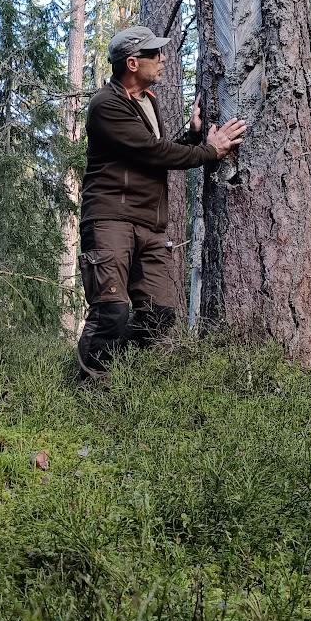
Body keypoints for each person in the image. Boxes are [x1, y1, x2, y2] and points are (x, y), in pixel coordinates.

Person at [76, 25, 247, 383]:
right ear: (133, 63)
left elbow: (152, 152)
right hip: (111, 220)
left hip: (150, 225)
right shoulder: (106, 105)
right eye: (155, 54)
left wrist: (192, 134)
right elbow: (152, 152)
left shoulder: (149, 101)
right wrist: (210, 151)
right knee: (112, 311)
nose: (163, 58)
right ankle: (92, 386)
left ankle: (114, 368)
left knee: (159, 314)